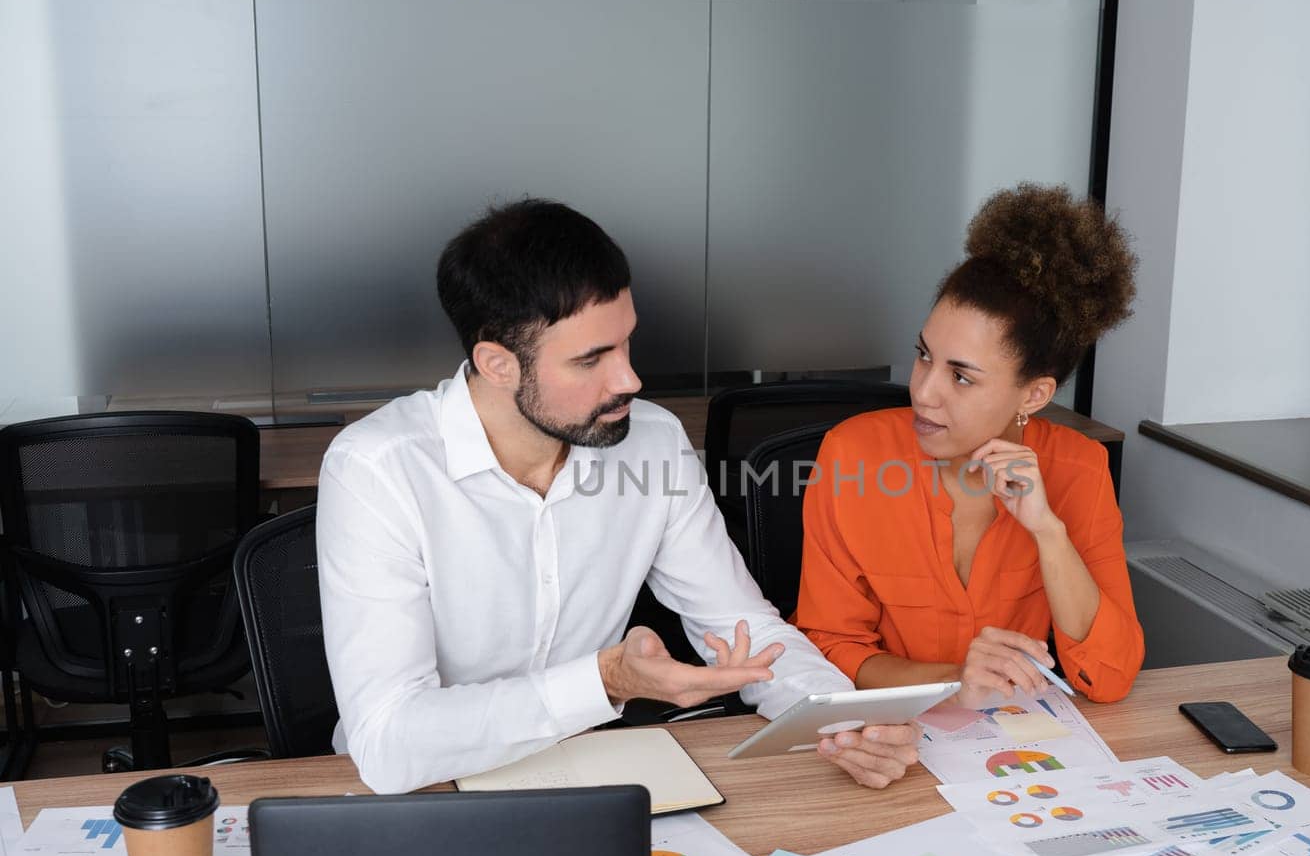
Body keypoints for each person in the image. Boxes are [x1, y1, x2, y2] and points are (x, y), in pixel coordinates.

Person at [316, 198, 919, 794]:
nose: (630, 379)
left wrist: (842, 719)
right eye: (591, 359)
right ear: (497, 364)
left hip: (589, 772)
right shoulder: (377, 468)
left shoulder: (652, 440)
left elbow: (746, 632)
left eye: (627, 342)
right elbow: (388, 741)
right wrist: (605, 682)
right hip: (425, 789)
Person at [793, 183, 1144, 708]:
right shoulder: (852, 456)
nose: (923, 391)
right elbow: (830, 647)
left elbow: (1109, 678)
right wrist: (957, 682)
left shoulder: (1080, 469)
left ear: (1035, 393)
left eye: (961, 378)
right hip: (889, 740)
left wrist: (1049, 534)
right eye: (924, 356)